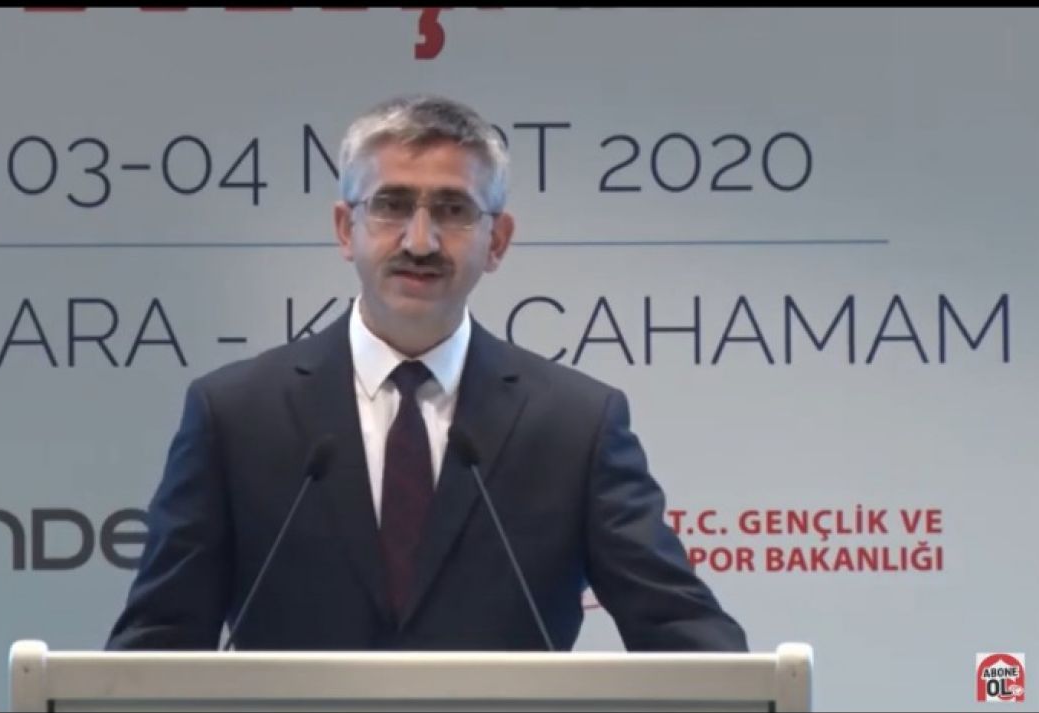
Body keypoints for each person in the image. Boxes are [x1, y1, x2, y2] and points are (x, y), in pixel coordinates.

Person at [105, 94, 748, 652]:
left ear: (497, 241)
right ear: (345, 229)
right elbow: (156, 647)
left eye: (453, 210)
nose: (420, 241)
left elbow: (684, 633)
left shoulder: (576, 426)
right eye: (391, 205)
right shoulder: (236, 415)